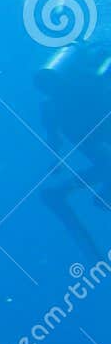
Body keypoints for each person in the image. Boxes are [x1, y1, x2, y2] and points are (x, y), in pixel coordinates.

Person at [37, 40, 111, 252]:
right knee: (107, 166)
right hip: (95, 126)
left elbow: (53, 137)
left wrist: (56, 158)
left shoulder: (50, 103)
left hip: (83, 132)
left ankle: (65, 191)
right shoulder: (91, 74)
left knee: (106, 166)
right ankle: (71, 192)